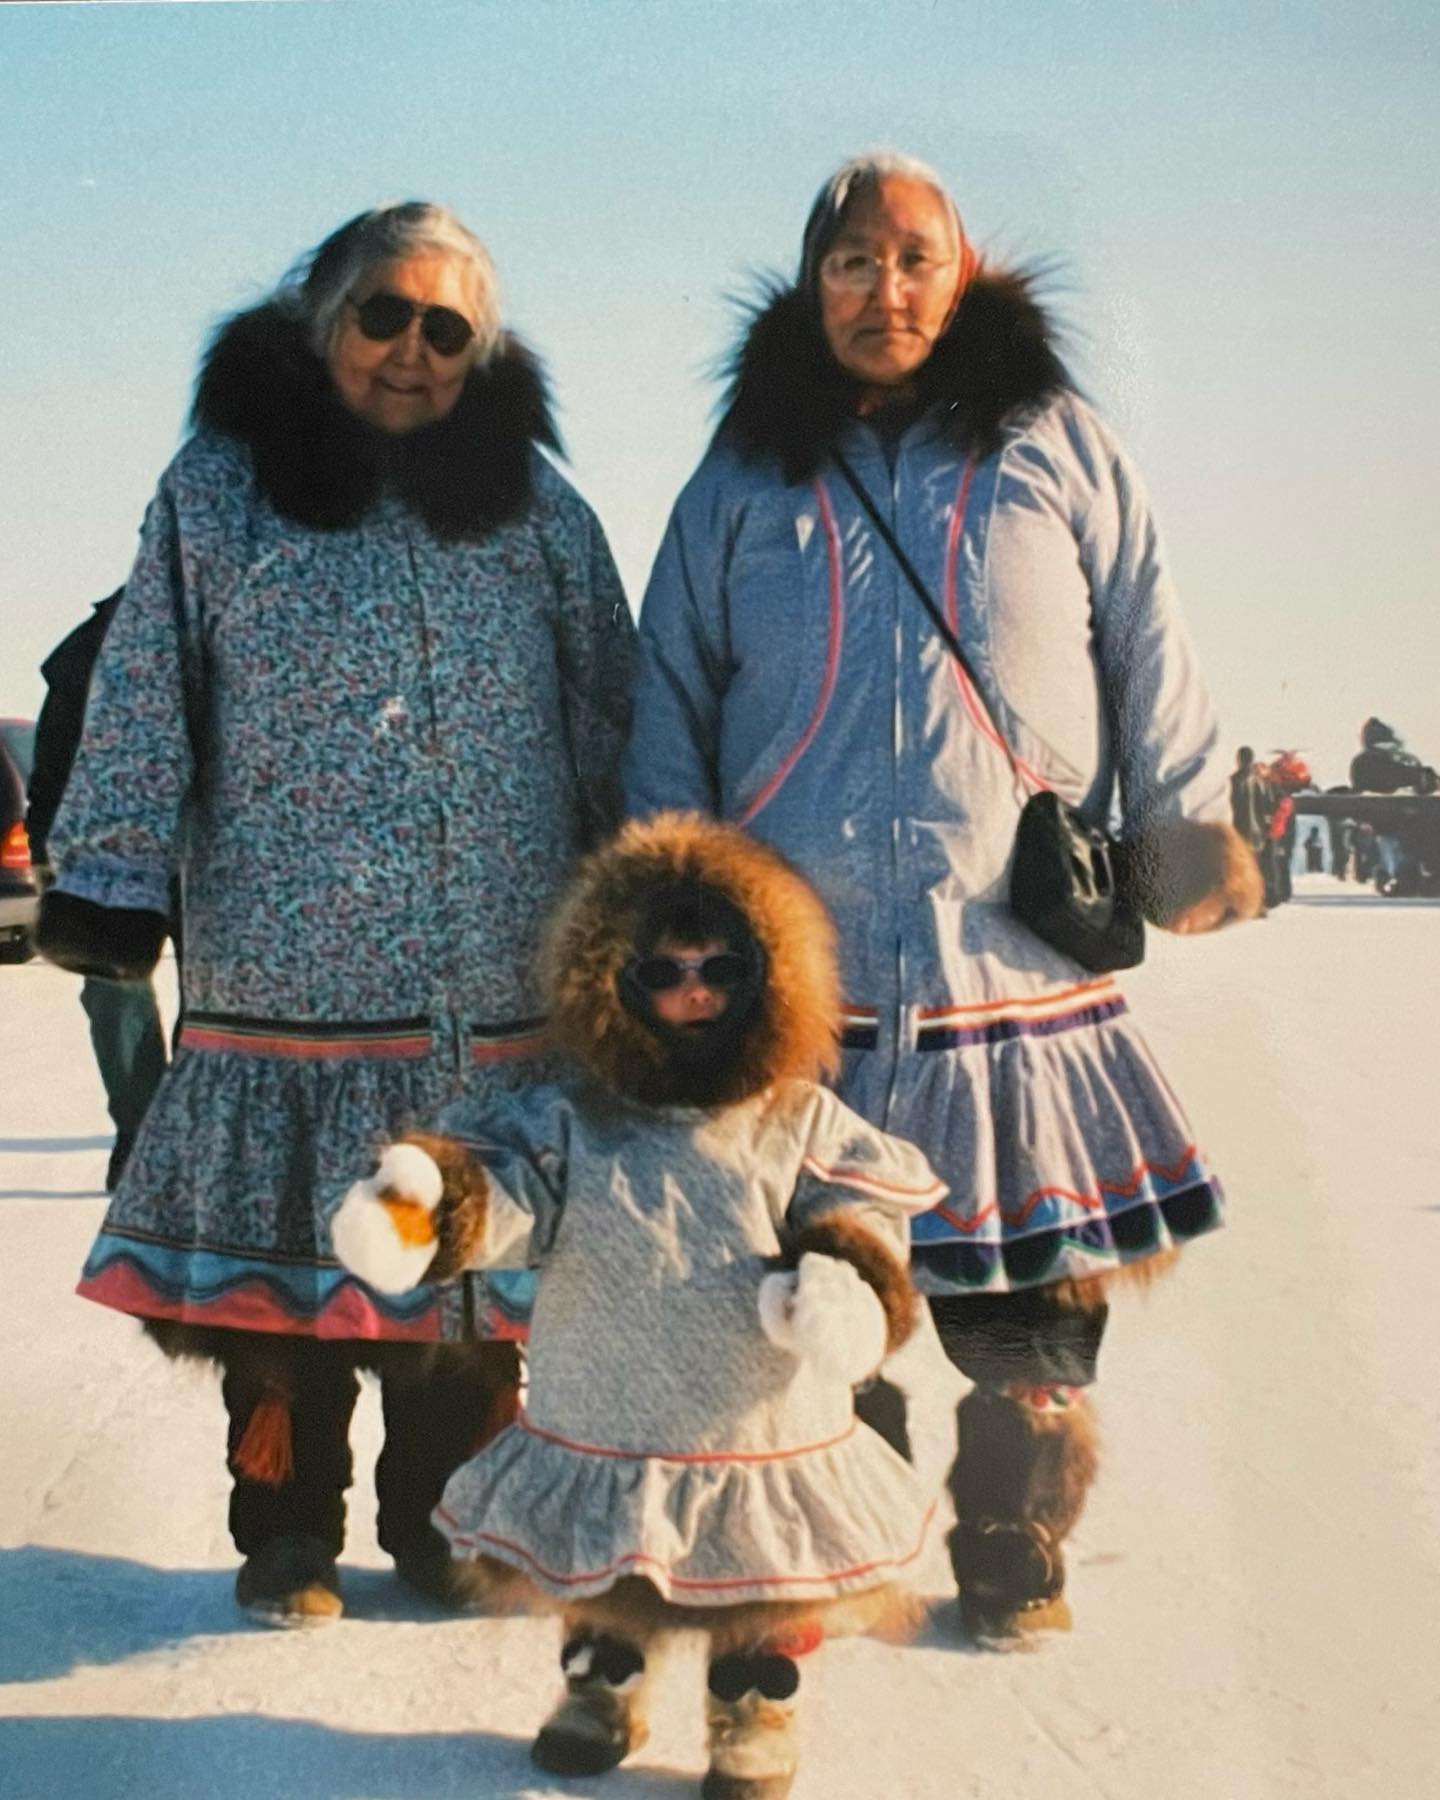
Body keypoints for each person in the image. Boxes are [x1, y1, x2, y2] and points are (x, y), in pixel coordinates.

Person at [624, 151, 1261, 1641]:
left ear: (959, 275)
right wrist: (667, 884)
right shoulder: (739, 472)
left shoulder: (1054, 439)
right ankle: (844, 1505)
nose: (884, 288)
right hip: (802, 971)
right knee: (797, 1292)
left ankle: (1012, 1524)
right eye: (853, 261)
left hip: (1008, 956)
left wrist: (1182, 823)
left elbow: (1144, 633)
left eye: (914, 259)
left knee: (1029, 1296)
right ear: (812, 283)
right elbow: (670, 681)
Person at [39, 201, 636, 1625]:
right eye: (385, 314)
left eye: (449, 328)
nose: (413, 351)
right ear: (322, 317)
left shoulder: (539, 510)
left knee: (460, 1284)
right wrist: (111, 874)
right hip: (283, 976)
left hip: (494, 980)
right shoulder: (218, 489)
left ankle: (444, 1526)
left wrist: (643, 896)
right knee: (289, 1286)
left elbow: (611, 703)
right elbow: (142, 692)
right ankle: (288, 1533)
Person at [330, 812, 939, 1798]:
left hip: (759, 1417)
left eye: (718, 969)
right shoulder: (571, 1118)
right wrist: (429, 1216)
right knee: (606, 1575)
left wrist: (849, 1282)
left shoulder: (798, 1117)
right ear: (608, 981)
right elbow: (509, 1194)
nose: (691, 989)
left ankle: (755, 1705)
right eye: (659, 971)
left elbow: (859, 1205)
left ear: (765, 978)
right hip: (606, 1408)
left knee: (762, 1578)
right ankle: (603, 1687)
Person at [27, 588, 169, 1192]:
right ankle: (147, 1139)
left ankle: (179, 1136)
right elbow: (58, 750)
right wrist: (46, 843)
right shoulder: (94, 644)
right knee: (116, 992)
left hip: (214, 840)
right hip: (117, 842)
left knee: (224, 1003)